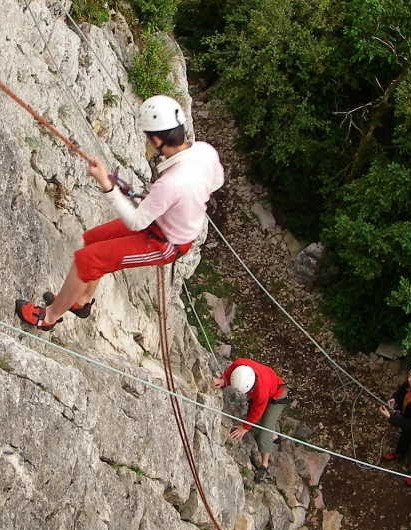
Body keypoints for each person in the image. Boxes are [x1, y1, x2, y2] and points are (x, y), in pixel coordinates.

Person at [16, 95, 224, 330]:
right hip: (162, 223)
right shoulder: (205, 151)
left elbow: (136, 222)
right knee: (92, 240)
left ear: (156, 140)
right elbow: (216, 181)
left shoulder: (172, 183)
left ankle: (49, 317)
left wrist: (107, 185)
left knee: (85, 260)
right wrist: (178, 203)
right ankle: (83, 300)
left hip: (166, 243)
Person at [212, 358, 289, 483]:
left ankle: (264, 464)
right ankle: (274, 435)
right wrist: (223, 380)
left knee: (264, 432)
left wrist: (245, 427)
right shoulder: (240, 366)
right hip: (271, 383)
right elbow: (230, 372)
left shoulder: (261, 392)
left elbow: (256, 412)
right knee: (262, 418)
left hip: (278, 394)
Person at [379, 363, 411, 486]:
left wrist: (390, 417)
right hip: (409, 421)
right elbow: (402, 390)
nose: (408, 379)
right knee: (405, 437)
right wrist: (395, 398)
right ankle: (399, 453)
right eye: (409, 376)